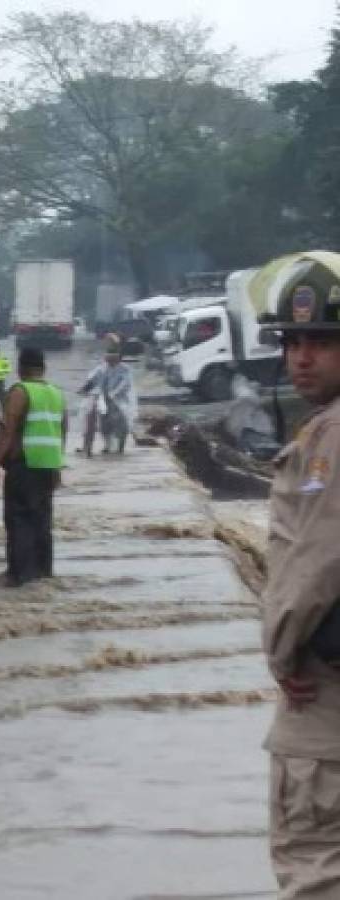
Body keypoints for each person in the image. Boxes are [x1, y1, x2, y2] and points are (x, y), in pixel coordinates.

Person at [259, 253, 340, 899]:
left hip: (323, 697)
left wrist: (280, 651)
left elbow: (314, 559)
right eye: (292, 341)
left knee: (313, 864)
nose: (301, 357)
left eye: (321, 341)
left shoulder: (329, 437)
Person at [0, 346, 67, 586]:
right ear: (43, 368)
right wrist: (58, 468)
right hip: (49, 468)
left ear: (20, 369)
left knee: (19, 520)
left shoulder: (20, 392)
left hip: (24, 466)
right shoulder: (56, 393)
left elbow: (6, 431)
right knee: (42, 522)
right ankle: (43, 574)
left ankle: (19, 577)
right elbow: (62, 432)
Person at [79, 334, 136, 455]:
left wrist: (114, 393)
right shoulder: (102, 369)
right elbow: (93, 380)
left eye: (112, 359)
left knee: (122, 424)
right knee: (105, 424)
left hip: (120, 401)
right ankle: (107, 445)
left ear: (118, 359)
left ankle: (120, 446)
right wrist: (84, 389)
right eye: (108, 359)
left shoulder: (125, 369)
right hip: (104, 400)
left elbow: (125, 384)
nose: (110, 362)